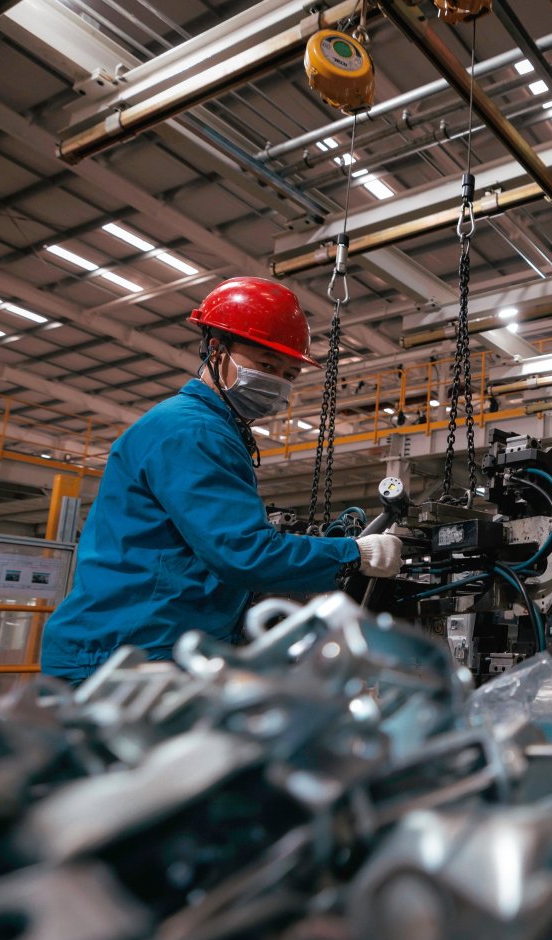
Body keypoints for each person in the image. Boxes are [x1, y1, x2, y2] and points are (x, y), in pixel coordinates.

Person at [41, 277, 402, 684]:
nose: (277, 382)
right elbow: (243, 552)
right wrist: (355, 552)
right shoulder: (194, 431)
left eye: (288, 373)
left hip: (146, 648)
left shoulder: (207, 428)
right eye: (266, 365)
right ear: (216, 349)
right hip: (130, 656)